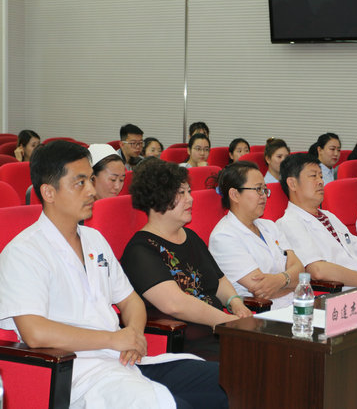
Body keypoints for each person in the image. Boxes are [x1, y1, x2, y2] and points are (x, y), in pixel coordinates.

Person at [0, 141, 228, 409]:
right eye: (80, 183)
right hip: (78, 374)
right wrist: (114, 339)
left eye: (90, 180)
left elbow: (131, 301)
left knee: (231, 382)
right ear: (49, 192)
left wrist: (133, 334)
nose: (91, 191)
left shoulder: (94, 239)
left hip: (124, 361)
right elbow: (35, 333)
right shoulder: (24, 251)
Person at [120, 158, 252, 358]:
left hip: (220, 334)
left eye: (189, 191)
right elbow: (175, 304)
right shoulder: (140, 250)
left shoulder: (190, 236)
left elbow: (218, 280)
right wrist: (227, 322)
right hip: (186, 346)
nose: (190, 199)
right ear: (155, 198)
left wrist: (235, 302)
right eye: (181, 193)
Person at [276, 153, 357, 286]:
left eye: (321, 176)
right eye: (313, 176)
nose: (321, 181)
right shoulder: (289, 223)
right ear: (292, 184)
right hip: (344, 290)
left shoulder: (328, 216)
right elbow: (317, 270)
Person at [209, 162, 303, 309]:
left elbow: (300, 270)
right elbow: (262, 290)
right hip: (262, 313)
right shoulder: (223, 237)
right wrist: (292, 282)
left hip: (296, 304)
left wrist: (281, 280)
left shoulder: (270, 226)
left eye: (265, 189)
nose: (264, 196)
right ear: (235, 195)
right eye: (258, 189)